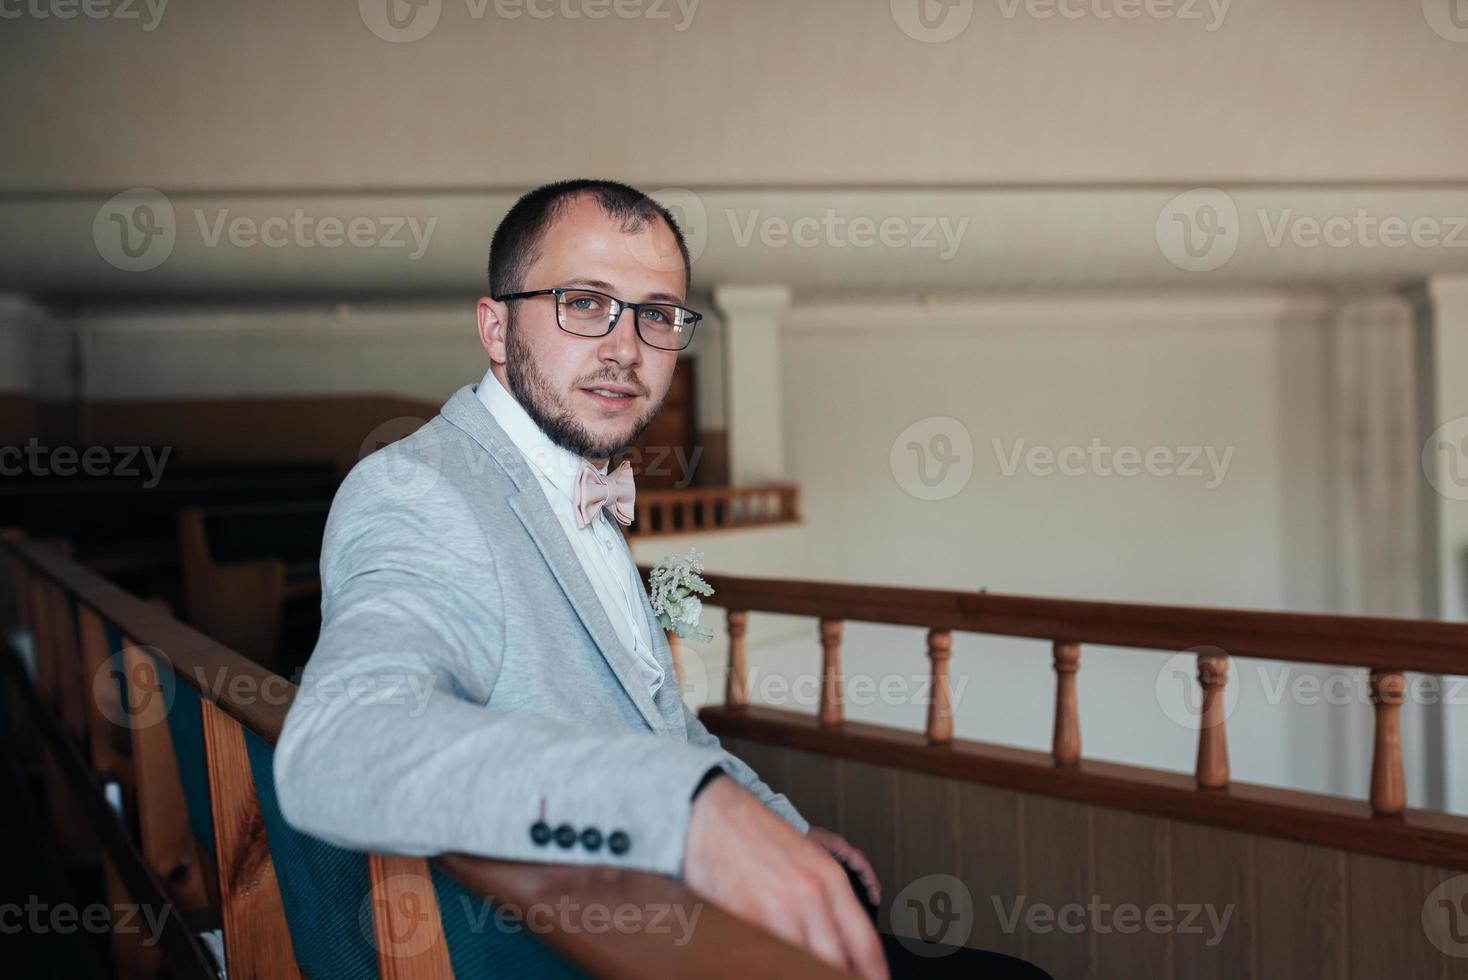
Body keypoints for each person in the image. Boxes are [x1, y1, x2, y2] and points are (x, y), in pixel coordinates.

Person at [275, 178, 888, 978]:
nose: (626, 348)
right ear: (496, 329)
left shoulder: (579, 483)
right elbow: (339, 747)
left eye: (657, 314)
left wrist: (778, 824)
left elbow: (661, 724)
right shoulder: (420, 489)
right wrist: (683, 813)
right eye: (584, 303)